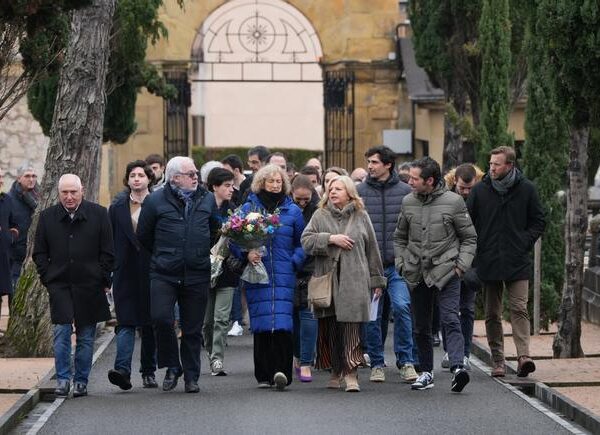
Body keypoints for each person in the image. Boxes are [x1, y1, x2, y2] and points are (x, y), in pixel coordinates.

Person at [393, 157, 477, 393]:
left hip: (447, 271)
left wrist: (460, 266)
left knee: (450, 317)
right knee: (421, 325)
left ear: (429, 181)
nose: (409, 181)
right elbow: (399, 237)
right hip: (417, 271)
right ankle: (426, 372)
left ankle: (458, 367)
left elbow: (469, 238)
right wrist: (401, 263)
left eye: (414, 178)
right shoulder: (408, 202)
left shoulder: (454, 202)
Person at [137, 156, 219, 393]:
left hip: (196, 273)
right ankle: (173, 365)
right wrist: (166, 254)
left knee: (192, 329)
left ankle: (191, 377)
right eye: (190, 174)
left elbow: (214, 230)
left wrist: (197, 251)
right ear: (174, 178)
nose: (196, 177)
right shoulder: (155, 200)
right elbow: (144, 234)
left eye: (196, 173)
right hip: (164, 272)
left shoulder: (207, 198)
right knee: (161, 318)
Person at [466, 146, 545, 378]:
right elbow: (467, 223)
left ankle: (524, 357)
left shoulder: (527, 189)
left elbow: (539, 221)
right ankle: (498, 360)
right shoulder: (480, 191)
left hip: (517, 260)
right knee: (492, 312)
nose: (491, 168)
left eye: (496, 164)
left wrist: (524, 241)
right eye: (490, 164)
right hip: (488, 260)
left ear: (509, 165)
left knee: (519, 308)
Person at [301, 176, 386, 393]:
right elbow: (306, 241)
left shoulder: (361, 216)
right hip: (327, 281)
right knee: (329, 329)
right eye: (331, 188)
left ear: (349, 192)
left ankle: (351, 373)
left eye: (339, 188)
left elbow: (372, 250)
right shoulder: (320, 214)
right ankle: (335, 371)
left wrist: (377, 280)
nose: (333, 192)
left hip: (354, 280)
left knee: (351, 328)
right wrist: (330, 239)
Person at [33, 174, 114, 398]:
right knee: (61, 331)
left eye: (73, 192)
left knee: (87, 335)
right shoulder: (48, 217)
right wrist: (47, 277)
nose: (69, 197)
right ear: (58, 193)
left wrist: (102, 278)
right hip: (59, 284)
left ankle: (81, 381)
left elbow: (108, 251)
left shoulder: (98, 214)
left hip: (90, 284)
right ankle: (62, 379)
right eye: (64, 192)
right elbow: (39, 252)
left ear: (82, 191)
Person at [231, 164, 305, 390]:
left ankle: (281, 372)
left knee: (283, 322)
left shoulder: (292, 211)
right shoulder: (247, 209)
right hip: (257, 272)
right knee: (262, 321)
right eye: (270, 181)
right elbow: (233, 239)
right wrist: (247, 253)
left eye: (279, 181)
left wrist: (294, 262)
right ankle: (263, 373)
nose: (275, 185)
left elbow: (303, 243)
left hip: (284, 273)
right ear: (261, 183)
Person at [357, 146, 418, 384]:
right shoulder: (360, 192)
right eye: (369, 162)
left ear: (388, 165)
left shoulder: (405, 192)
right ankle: (377, 363)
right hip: (371, 266)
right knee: (373, 316)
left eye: (374, 162)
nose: (370, 166)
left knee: (402, 307)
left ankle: (406, 361)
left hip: (398, 266)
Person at [107, 161, 157, 391]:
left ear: (149, 179)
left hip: (152, 270)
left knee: (149, 324)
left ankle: (148, 372)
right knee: (125, 321)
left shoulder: (158, 204)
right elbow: (109, 240)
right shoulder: (117, 208)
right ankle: (122, 371)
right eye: (132, 175)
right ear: (127, 180)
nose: (136, 179)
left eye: (141, 175)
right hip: (124, 271)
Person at [439, 163, 484, 371]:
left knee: (466, 308)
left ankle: (464, 352)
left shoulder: (482, 195)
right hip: (448, 260)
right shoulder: (444, 196)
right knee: (448, 310)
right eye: (462, 188)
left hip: (472, 260)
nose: (466, 192)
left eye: (470, 188)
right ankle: (451, 349)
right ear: (454, 182)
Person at [202, 168, 240, 376]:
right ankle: (210, 352)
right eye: (226, 185)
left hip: (227, 270)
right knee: (207, 321)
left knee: (221, 318)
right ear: (214, 186)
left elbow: (239, 242)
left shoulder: (234, 210)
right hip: (205, 269)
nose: (231, 189)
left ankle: (217, 358)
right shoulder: (202, 208)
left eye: (232, 185)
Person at [290, 175, 319, 382]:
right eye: (297, 199)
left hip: (312, 269)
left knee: (308, 317)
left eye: (305, 200)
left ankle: (306, 361)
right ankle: (298, 356)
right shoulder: (285, 209)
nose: (301, 203)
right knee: (292, 318)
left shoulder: (318, 211)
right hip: (289, 267)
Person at [8, 164, 39, 289]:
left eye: (33, 176)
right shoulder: (8, 201)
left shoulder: (42, 197)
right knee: (15, 296)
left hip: (38, 259)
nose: (31, 179)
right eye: (27, 176)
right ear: (18, 178)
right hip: (16, 260)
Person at [0, 169, 18, 323]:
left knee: (7, 292)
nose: (0, 180)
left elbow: (14, 224)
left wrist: (9, 237)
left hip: (4, 256)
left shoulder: (6, 200)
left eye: (0, 177)